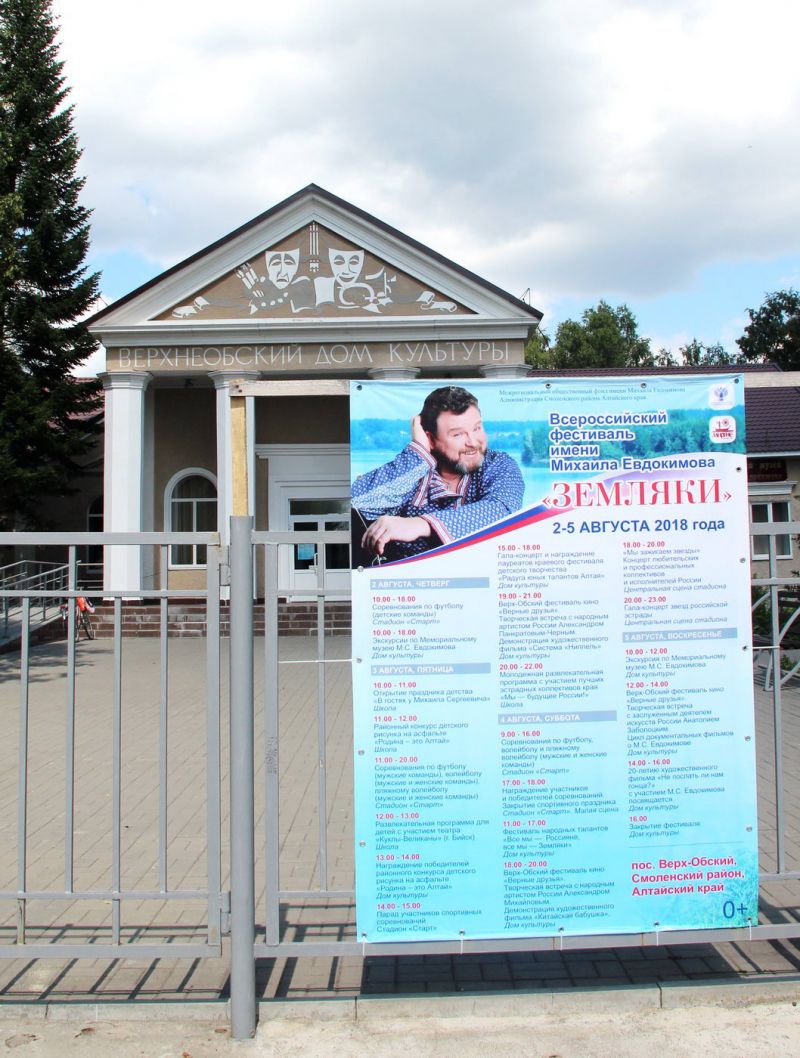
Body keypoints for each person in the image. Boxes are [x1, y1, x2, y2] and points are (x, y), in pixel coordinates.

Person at [352, 386, 524, 563]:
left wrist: (419, 524)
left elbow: (503, 511)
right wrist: (418, 454)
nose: (473, 442)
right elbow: (357, 504)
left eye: (477, 428)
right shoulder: (411, 471)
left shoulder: (500, 464)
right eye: (458, 434)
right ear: (431, 439)